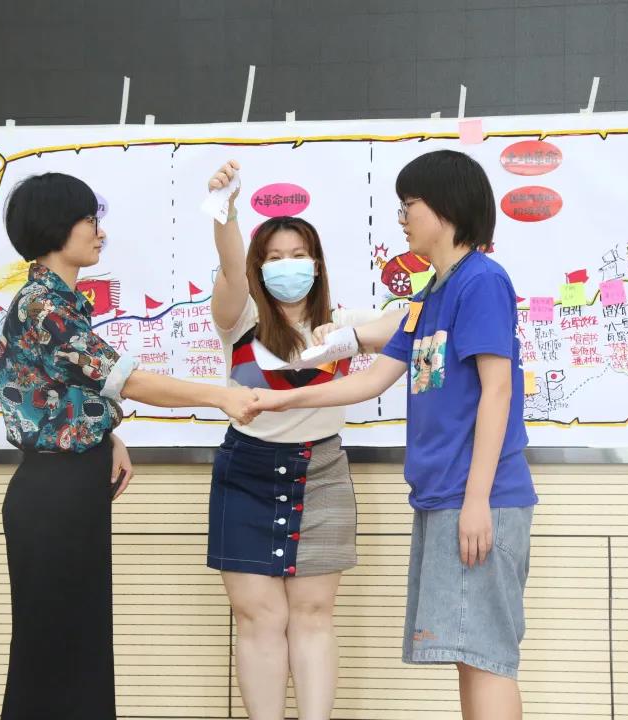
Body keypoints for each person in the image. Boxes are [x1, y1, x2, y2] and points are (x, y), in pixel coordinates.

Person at [249, 150, 538, 720]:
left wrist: (477, 500)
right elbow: (370, 380)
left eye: (409, 205)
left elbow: (498, 391)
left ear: (446, 208)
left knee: (487, 659)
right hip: (443, 497)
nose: (402, 219)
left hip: (479, 499)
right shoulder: (432, 293)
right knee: (468, 655)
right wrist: (281, 398)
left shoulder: (482, 281)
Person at [0, 172, 259, 720]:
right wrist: (221, 396)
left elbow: (60, 391)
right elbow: (126, 379)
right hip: (53, 493)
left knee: (79, 640)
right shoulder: (42, 306)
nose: (100, 231)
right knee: (53, 646)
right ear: (55, 226)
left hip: (70, 484)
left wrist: (107, 435)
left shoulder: (59, 302)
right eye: (89, 220)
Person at [205, 161, 404, 720]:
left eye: (297, 255)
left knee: (314, 615)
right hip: (245, 470)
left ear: (316, 264)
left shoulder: (340, 320)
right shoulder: (238, 317)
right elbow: (229, 268)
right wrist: (226, 211)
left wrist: (351, 337)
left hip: (322, 470)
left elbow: (409, 320)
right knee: (258, 618)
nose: (286, 266)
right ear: (259, 266)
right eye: (273, 258)